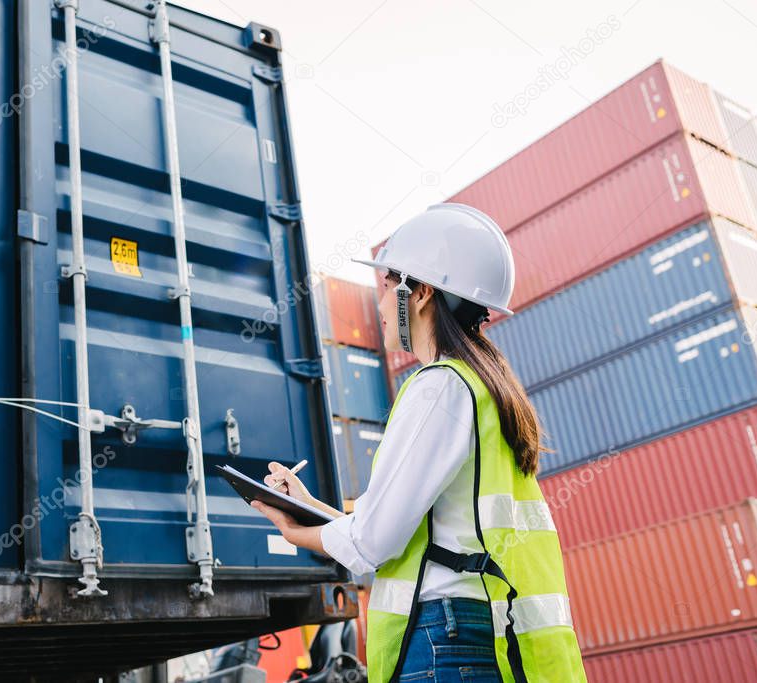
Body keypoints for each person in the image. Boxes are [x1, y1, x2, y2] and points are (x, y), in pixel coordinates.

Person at [251, 204, 586, 682]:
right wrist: (309, 505)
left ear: (421, 292)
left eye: (387, 286)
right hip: (477, 630)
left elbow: (373, 541)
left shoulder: (439, 387)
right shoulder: (485, 386)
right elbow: (427, 527)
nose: (382, 304)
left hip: (444, 641)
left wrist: (293, 530)